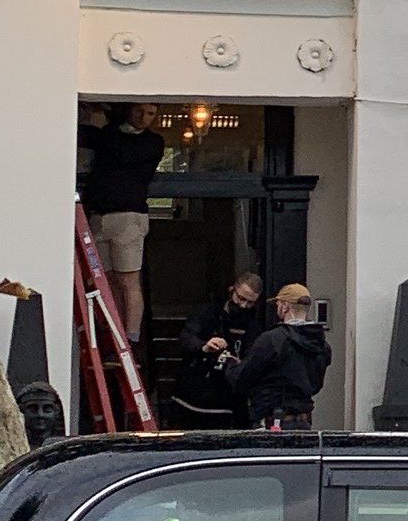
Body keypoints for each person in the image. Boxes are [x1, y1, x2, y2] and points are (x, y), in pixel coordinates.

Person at [80, 102, 164, 340]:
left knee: (129, 280)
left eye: (150, 113)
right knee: (105, 279)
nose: (143, 117)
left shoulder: (152, 142)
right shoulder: (108, 135)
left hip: (129, 216)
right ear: (128, 109)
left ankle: (131, 336)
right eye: (140, 110)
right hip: (99, 216)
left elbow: (123, 152)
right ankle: (112, 328)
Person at [167, 271, 266, 429]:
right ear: (231, 290)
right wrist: (204, 347)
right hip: (191, 396)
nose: (243, 305)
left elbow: (252, 362)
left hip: (226, 404)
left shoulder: (254, 327)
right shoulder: (206, 312)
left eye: (250, 302)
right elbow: (186, 338)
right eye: (241, 298)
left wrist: (237, 364)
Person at [237, 283, 331, 429]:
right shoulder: (321, 345)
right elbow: (317, 385)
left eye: (278, 304)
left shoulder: (271, 340)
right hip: (304, 421)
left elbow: (242, 377)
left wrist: (230, 364)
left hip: (274, 422)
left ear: (285, 307)